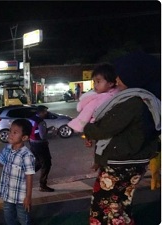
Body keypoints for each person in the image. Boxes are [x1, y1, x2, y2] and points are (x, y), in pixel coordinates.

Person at [83, 52, 161, 225]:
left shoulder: (132, 101)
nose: (116, 79)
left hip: (120, 164)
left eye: (120, 74)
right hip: (136, 162)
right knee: (121, 205)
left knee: (103, 207)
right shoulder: (148, 98)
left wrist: (85, 126)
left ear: (133, 75)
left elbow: (104, 129)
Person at [0, 119, 35, 225]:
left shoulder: (26, 155)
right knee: (9, 218)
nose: (10, 134)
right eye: (10, 130)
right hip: (7, 195)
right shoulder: (7, 149)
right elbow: (0, 162)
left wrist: (28, 197)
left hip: (21, 198)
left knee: (24, 220)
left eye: (15, 132)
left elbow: (29, 176)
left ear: (24, 137)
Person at [68, 64, 118, 134]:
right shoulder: (99, 95)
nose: (95, 85)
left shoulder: (105, 98)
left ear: (110, 83)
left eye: (98, 81)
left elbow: (88, 113)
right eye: (94, 82)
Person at [29, 105, 55, 192]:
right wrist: (51, 133)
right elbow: (42, 136)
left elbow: (34, 131)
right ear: (40, 112)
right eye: (44, 112)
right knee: (47, 164)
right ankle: (42, 185)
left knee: (39, 162)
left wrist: (46, 129)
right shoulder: (41, 122)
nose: (46, 113)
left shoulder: (31, 119)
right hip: (40, 145)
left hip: (32, 143)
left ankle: (25, 175)